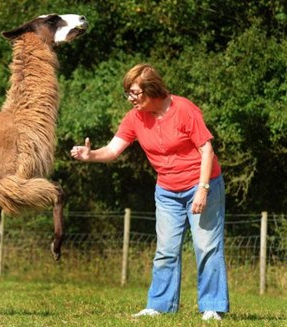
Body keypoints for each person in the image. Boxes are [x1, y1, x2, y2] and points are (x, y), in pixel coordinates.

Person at [70, 63, 229, 321]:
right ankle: (160, 305)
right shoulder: (135, 117)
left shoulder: (184, 110)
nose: (130, 98)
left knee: (206, 246)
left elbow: (206, 150)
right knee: (166, 249)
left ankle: (212, 307)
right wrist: (91, 155)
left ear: (152, 89)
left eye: (135, 93)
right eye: (128, 93)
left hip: (202, 184)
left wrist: (202, 189)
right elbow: (112, 150)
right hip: (167, 190)